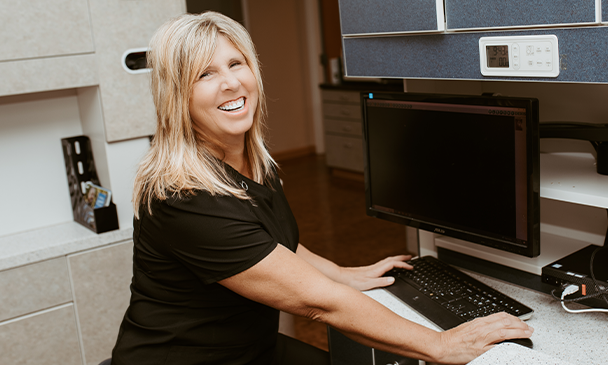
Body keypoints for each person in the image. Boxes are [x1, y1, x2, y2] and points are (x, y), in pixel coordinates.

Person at [111, 11, 533, 365]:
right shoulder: (184, 196)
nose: (230, 83)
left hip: (247, 348)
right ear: (177, 96)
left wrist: (344, 274)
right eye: (205, 74)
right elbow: (319, 303)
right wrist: (443, 345)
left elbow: (273, 248)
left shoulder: (251, 159)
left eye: (235, 64)